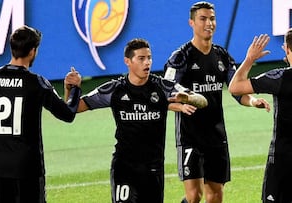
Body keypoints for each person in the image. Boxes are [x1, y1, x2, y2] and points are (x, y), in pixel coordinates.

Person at [65, 38, 207, 203]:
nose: (147, 63)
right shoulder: (114, 89)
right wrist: (70, 89)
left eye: (149, 58)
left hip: (153, 170)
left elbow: (202, 100)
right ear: (127, 61)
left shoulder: (163, 87)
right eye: (141, 58)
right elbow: (73, 108)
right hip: (124, 168)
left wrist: (188, 98)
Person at [163, 2, 270, 203]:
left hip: (216, 136)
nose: (209, 23)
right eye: (203, 19)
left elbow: (236, 89)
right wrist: (180, 105)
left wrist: (253, 101)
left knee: (215, 196)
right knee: (194, 196)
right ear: (191, 23)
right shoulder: (180, 57)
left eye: (212, 18)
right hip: (190, 137)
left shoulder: (222, 56)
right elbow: (165, 90)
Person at [0, 25, 82, 203]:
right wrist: (74, 89)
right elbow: (67, 114)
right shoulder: (36, 83)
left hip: (0, 168)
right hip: (28, 167)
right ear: (32, 51)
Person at [229, 31, 292, 203]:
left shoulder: (280, 78)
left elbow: (234, 87)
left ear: (286, 49)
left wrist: (249, 59)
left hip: (282, 160)